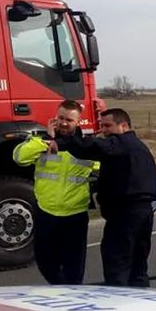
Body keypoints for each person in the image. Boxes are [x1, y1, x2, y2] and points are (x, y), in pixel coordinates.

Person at [54, 108, 156, 287]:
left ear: (124, 126)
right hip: (144, 212)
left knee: (117, 263)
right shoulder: (139, 147)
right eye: (101, 126)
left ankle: (116, 305)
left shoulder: (120, 143)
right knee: (138, 265)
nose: (103, 130)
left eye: (108, 125)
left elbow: (88, 148)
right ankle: (141, 302)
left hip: (124, 213)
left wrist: (66, 137)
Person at [12, 100, 98, 285]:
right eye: (61, 118)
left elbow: (105, 166)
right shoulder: (40, 140)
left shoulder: (86, 146)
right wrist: (46, 141)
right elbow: (19, 157)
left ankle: (71, 299)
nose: (64, 123)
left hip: (74, 216)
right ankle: (61, 288)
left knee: (73, 269)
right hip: (46, 213)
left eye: (69, 119)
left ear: (78, 122)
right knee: (44, 263)